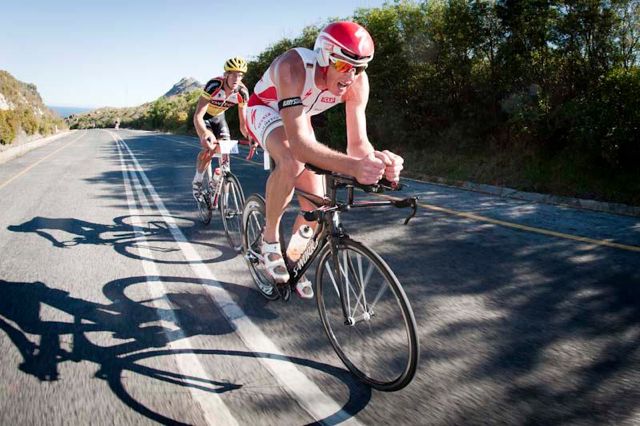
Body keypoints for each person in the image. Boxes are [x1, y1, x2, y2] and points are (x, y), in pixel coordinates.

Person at [245, 21, 404, 299]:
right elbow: (300, 146)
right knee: (292, 160)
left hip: (299, 114)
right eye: (343, 66)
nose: (351, 76)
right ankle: (268, 239)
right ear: (323, 57)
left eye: (359, 67)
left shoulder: (356, 82)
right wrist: (354, 167)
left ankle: (294, 260)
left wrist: (377, 162)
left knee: (316, 207)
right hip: (264, 108)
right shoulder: (292, 67)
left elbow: (357, 144)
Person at [192, 56, 249, 200]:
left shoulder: (242, 92)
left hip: (219, 118)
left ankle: (217, 179)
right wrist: (204, 133)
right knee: (210, 149)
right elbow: (198, 115)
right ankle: (198, 180)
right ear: (226, 75)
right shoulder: (214, 85)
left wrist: (252, 137)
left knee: (225, 152)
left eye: (240, 75)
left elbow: (243, 124)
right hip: (205, 117)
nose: (237, 78)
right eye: (234, 74)